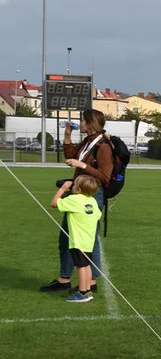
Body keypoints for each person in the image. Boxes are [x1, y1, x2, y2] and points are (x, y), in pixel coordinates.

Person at [39, 109, 112, 294]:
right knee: (68, 236)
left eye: (83, 120)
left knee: (86, 239)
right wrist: (67, 136)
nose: (80, 122)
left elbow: (105, 176)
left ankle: (90, 281)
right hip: (78, 192)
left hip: (92, 195)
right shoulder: (88, 142)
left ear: (90, 123)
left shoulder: (103, 146)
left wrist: (83, 166)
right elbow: (71, 155)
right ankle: (66, 278)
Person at [51, 175, 103, 304]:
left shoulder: (74, 199)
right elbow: (97, 215)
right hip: (88, 241)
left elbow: (54, 203)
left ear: (79, 189)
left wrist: (63, 189)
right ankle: (87, 290)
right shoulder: (92, 201)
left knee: (81, 266)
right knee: (86, 266)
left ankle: (82, 293)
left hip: (78, 241)